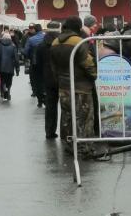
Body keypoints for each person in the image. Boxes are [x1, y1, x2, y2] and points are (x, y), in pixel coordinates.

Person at [50, 17, 106, 160]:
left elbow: (53, 67)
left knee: (68, 117)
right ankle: (85, 148)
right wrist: (94, 75)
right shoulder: (78, 42)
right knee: (85, 118)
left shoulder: (55, 42)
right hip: (81, 87)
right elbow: (88, 63)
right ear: (78, 27)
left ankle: (71, 145)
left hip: (63, 87)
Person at [37, 22, 61, 139]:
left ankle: (49, 131)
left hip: (48, 78)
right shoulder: (62, 43)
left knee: (50, 106)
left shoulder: (41, 45)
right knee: (66, 107)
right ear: (59, 29)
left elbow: (37, 64)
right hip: (62, 77)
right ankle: (66, 133)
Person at [24, 24, 46, 107]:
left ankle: (40, 100)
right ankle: (45, 95)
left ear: (35, 30)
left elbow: (26, 51)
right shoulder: (46, 37)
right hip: (47, 63)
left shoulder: (31, 39)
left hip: (35, 63)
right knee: (45, 80)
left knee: (37, 82)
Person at [0, 32, 20, 101]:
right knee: (9, 81)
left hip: (1, 67)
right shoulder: (13, 46)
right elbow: (16, 58)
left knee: (2, 80)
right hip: (10, 67)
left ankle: (3, 92)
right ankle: (7, 91)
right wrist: (17, 69)